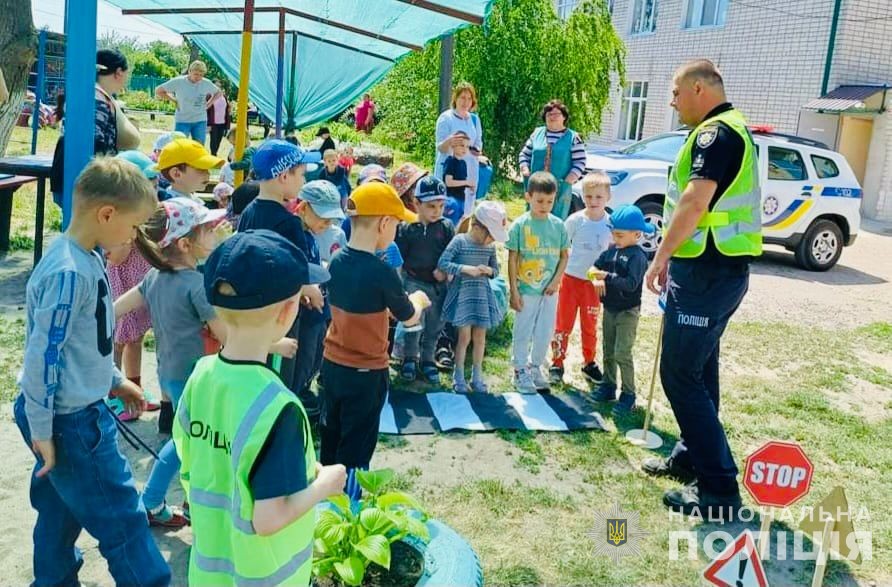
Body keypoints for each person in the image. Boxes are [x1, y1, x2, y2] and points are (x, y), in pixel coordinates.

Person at [14, 158, 170, 587]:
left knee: (59, 508)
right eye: (134, 227)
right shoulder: (69, 273)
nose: (135, 237)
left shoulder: (84, 257)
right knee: (123, 518)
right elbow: (43, 358)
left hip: (62, 412)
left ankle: (54, 579)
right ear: (106, 214)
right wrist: (44, 430)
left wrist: (114, 380)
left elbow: (81, 346)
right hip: (68, 421)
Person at [175, 230, 346, 586]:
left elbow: (200, 461)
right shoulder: (278, 407)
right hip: (262, 576)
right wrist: (324, 485)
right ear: (288, 312)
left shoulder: (201, 376)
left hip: (208, 572)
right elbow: (267, 519)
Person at [643, 59, 762, 519]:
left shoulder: (717, 134)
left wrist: (661, 255)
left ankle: (718, 489)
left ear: (698, 88)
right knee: (700, 369)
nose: (672, 102)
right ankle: (692, 455)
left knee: (680, 373)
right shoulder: (730, 129)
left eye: (675, 92)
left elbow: (694, 202)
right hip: (715, 270)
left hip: (708, 271)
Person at [115, 198, 231, 527]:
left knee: (188, 439)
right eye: (208, 229)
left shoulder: (155, 277)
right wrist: (273, 341)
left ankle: (176, 502)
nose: (215, 232)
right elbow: (226, 335)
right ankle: (152, 501)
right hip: (194, 377)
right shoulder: (195, 285)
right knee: (188, 442)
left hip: (168, 374)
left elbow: (116, 308)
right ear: (185, 243)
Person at [320, 182, 425, 501]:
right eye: (395, 223)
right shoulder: (382, 272)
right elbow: (408, 316)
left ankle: (323, 502)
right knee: (356, 449)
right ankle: (347, 513)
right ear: (383, 223)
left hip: (332, 366)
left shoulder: (336, 262)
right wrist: (418, 299)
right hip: (366, 374)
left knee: (331, 438)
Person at [237, 140, 324, 399]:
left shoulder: (248, 212)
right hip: (281, 313)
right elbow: (294, 270)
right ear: (284, 176)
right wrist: (311, 290)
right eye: (301, 173)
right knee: (277, 378)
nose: (303, 179)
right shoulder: (289, 222)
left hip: (252, 309)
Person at [106, 151, 165, 422]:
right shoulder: (120, 218)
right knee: (119, 340)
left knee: (136, 338)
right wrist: (129, 238)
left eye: (154, 181)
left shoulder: (144, 214)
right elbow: (114, 256)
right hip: (125, 285)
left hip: (140, 285)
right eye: (148, 181)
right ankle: (114, 395)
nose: (154, 186)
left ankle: (135, 387)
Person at [507, 171, 569, 394]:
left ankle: (535, 367)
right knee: (523, 329)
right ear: (528, 197)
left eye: (550, 201)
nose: (544, 205)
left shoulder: (559, 226)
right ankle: (519, 369)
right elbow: (512, 258)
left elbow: (564, 256)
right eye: (540, 201)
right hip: (527, 288)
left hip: (550, 290)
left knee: (545, 329)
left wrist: (556, 281)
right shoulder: (520, 225)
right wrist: (514, 291)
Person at [549, 172, 614, 385]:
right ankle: (557, 362)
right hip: (570, 281)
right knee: (563, 324)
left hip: (593, 285)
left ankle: (589, 363)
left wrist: (605, 277)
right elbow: (561, 247)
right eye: (588, 196)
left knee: (590, 325)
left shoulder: (611, 224)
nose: (593, 201)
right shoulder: (575, 221)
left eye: (598, 197)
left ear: (608, 197)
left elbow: (613, 253)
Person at [438, 201, 508, 393]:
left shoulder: (490, 248)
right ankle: (458, 374)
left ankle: (477, 375)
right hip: (463, 295)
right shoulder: (460, 241)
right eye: (490, 235)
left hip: (481, 295)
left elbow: (496, 269)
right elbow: (443, 262)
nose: (492, 240)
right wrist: (464, 269)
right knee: (464, 337)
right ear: (477, 226)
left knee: (480, 337)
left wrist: (489, 271)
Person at [290, 181, 346, 417]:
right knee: (303, 358)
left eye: (332, 218)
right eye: (323, 217)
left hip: (319, 309)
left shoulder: (311, 234)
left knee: (316, 355)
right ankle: (295, 397)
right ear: (303, 207)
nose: (328, 223)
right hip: (305, 311)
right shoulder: (296, 234)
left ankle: (303, 389)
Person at [589, 205, 652, 415]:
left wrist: (606, 277)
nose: (615, 238)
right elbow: (593, 268)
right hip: (610, 308)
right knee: (608, 348)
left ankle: (628, 395)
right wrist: (594, 279)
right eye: (613, 234)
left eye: (620, 235)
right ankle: (608, 386)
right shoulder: (611, 251)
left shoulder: (638, 256)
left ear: (636, 234)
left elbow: (631, 284)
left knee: (622, 352)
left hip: (627, 311)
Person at [50, 49, 132, 207]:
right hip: (85, 182)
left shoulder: (88, 92)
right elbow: (91, 141)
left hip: (73, 177)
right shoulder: (97, 98)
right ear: (119, 72)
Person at [394, 176, 454, 384]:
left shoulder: (446, 227)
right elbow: (400, 258)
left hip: (437, 285)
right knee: (414, 323)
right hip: (413, 281)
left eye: (441, 205)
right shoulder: (407, 228)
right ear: (416, 203)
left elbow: (451, 254)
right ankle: (410, 358)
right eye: (431, 206)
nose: (437, 211)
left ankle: (428, 359)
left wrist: (444, 271)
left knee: (434, 325)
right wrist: (400, 284)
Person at [518, 99, 586, 220]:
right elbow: (524, 154)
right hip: (535, 187)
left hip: (560, 188)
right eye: (549, 114)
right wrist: (525, 169)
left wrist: (569, 180)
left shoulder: (573, 137)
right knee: (532, 220)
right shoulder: (537, 133)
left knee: (555, 222)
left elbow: (580, 162)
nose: (552, 117)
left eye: (556, 114)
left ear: (564, 117)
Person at [434, 82, 487, 196]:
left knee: (465, 208)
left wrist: (476, 150)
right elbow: (440, 148)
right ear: (456, 98)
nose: (466, 102)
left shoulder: (474, 120)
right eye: (462, 97)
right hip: (449, 172)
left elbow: (478, 143)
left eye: (469, 98)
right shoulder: (446, 118)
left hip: (468, 170)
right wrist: (450, 141)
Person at [155, 60, 222, 144]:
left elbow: (219, 93)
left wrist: (209, 104)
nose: (198, 77)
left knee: (199, 147)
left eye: (201, 75)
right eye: (196, 74)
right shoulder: (178, 81)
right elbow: (158, 90)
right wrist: (173, 99)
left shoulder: (206, 83)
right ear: (190, 71)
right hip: (182, 120)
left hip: (200, 120)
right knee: (179, 146)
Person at [156, 138, 224, 202]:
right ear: (176, 173)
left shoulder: (191, 200)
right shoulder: (175, 208)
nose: (208, 173)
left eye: (207, 169)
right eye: (200, 169)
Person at [442, 131, 476, 226]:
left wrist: (469, 186)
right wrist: (466, 182)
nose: (464, 149)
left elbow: (462, 182)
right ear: (453, 145)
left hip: (461, 199)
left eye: (467, 147)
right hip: (451, 200)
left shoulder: (464, 164)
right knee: (448, 225)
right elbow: (449, 182)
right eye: (462, 145)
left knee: (456, 225)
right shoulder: (450, 161)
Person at [206, 80, 230, 156]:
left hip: (222, 123)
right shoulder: (209, 96)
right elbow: (206, 110)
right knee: (214, 140)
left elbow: (226, 109)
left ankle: (214, 154)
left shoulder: (224, 96)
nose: (217, 87)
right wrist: (208, 124)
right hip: (213, 123)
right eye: (216, 85)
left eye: (219, 86)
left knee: (219, 140)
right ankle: (213, 155)